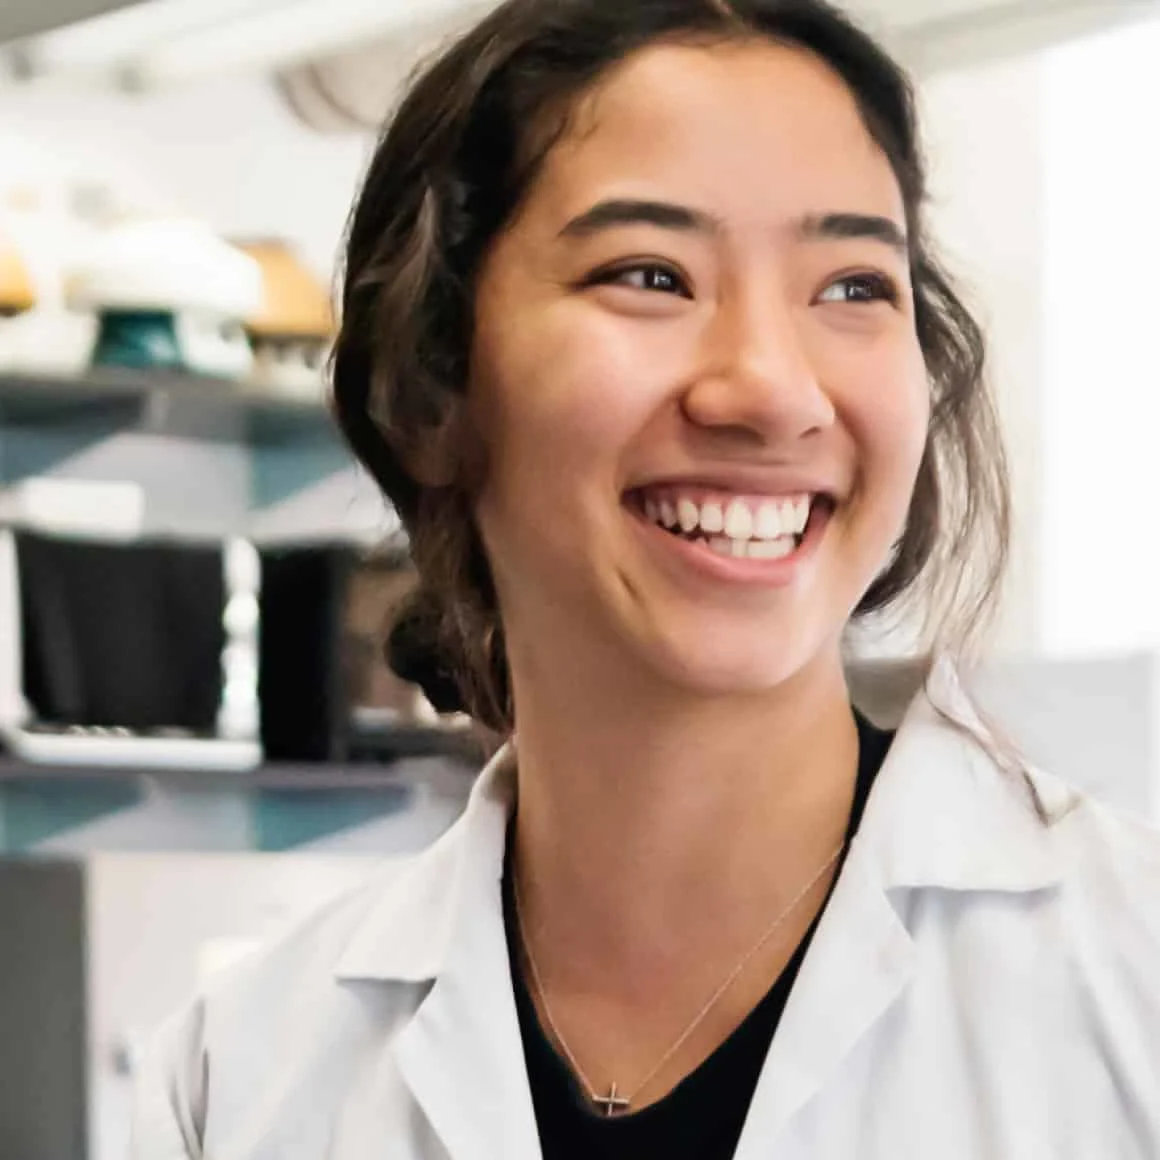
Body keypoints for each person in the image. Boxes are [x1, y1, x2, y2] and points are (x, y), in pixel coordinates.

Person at [132, 0, 1160, 1156]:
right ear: (430, 389)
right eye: (648, 274)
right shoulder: (241, 1077)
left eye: (851, 286)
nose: (770, 388)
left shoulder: (1131, 981)